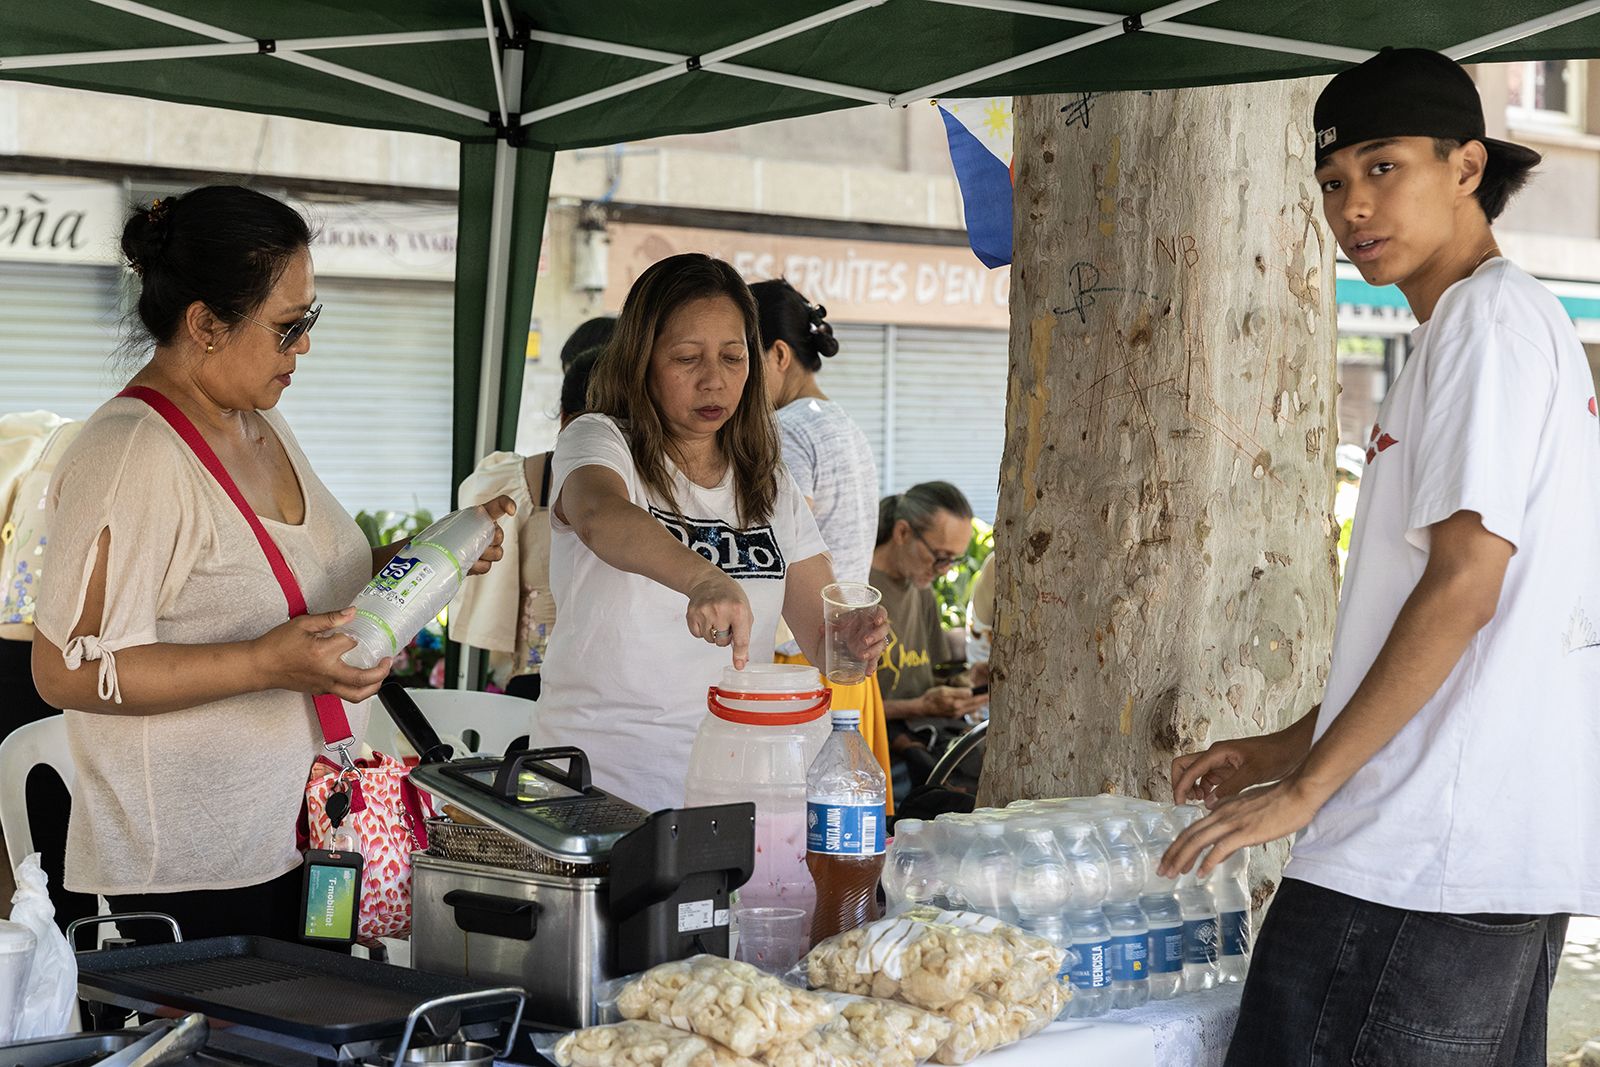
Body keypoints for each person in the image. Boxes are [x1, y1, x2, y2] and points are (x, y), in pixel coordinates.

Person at [1161, 49, 1599, 1066]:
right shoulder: (1498, 322)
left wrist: (1309, 785)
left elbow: (1463, 587)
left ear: (1465, 167)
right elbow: (1446, 623)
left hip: (1412, 868)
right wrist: (1284, 745)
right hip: (1474, 862)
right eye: (1330, 183)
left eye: (1381, 166)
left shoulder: (1483, 324)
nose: (1352, 205)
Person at [29, 186, 512, 941]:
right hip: (196, 877)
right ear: (205, 325)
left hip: (311, 839)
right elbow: (63, 669)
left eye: (309, 320)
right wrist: (263, 664)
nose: (305, 347)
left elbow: (294, 577)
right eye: (290, 326)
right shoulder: (132, 453)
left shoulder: (261, 420)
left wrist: (426, 561)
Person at [530, 253, 888, 813]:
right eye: (686, 358)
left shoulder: (767, 478)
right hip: (605, 788)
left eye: (732, 357)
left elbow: (822, 636)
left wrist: (853, 638)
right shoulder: (600, 439)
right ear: (641, 360)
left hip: (741, 787)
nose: (713, 380)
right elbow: (600, 516)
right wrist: (703, 578)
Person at [751, 278, 891, 794]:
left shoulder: (787, 430)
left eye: (738, 357)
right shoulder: (841, 423)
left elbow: (785, 541)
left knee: (798, 830)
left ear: (779, 355)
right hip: (846, 661)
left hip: (805, 660)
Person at [452, 348, 601, 702]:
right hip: (536, 682)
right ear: (565, 421)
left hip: (624, 688)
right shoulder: (522, 481)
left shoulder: (669, 492)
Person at [872, 483, 989, 790]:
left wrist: (967, 684)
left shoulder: (921, 592)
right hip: (880, 756)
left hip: (925, 743)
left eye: (954, 560)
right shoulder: (858, 591)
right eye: (940, 556)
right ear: (902, 533)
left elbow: (928, 681)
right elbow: (841, 707)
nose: (945, 570)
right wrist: (918, 707)